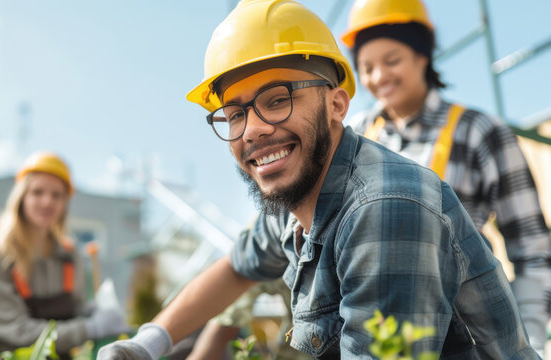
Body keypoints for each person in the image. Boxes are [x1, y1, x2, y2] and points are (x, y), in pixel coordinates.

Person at [98, 0, 540, 358]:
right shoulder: (301, 194)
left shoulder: (383, 208)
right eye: (234, 114)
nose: (252, 129)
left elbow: (533, 251)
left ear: (337, 105)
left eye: (277, 100)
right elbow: (236, 266)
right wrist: (145, 344)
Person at [339, 0, 551, 353]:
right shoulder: (353, 141)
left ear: (423, 55)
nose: (379, 77)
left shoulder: (480, 133)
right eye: (366, 67)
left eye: (392, 61)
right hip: (369, 341)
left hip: (464, 342)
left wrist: (526, 337)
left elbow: (532, 250)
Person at [0, 151, 127, 359]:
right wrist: (89, 329)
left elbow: (76, 310)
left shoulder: (70, 256)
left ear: (65, 203)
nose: (47, 202)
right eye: (37, 192)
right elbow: (16, 330)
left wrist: (92, 313)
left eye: (57, 195)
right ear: (22, 196)